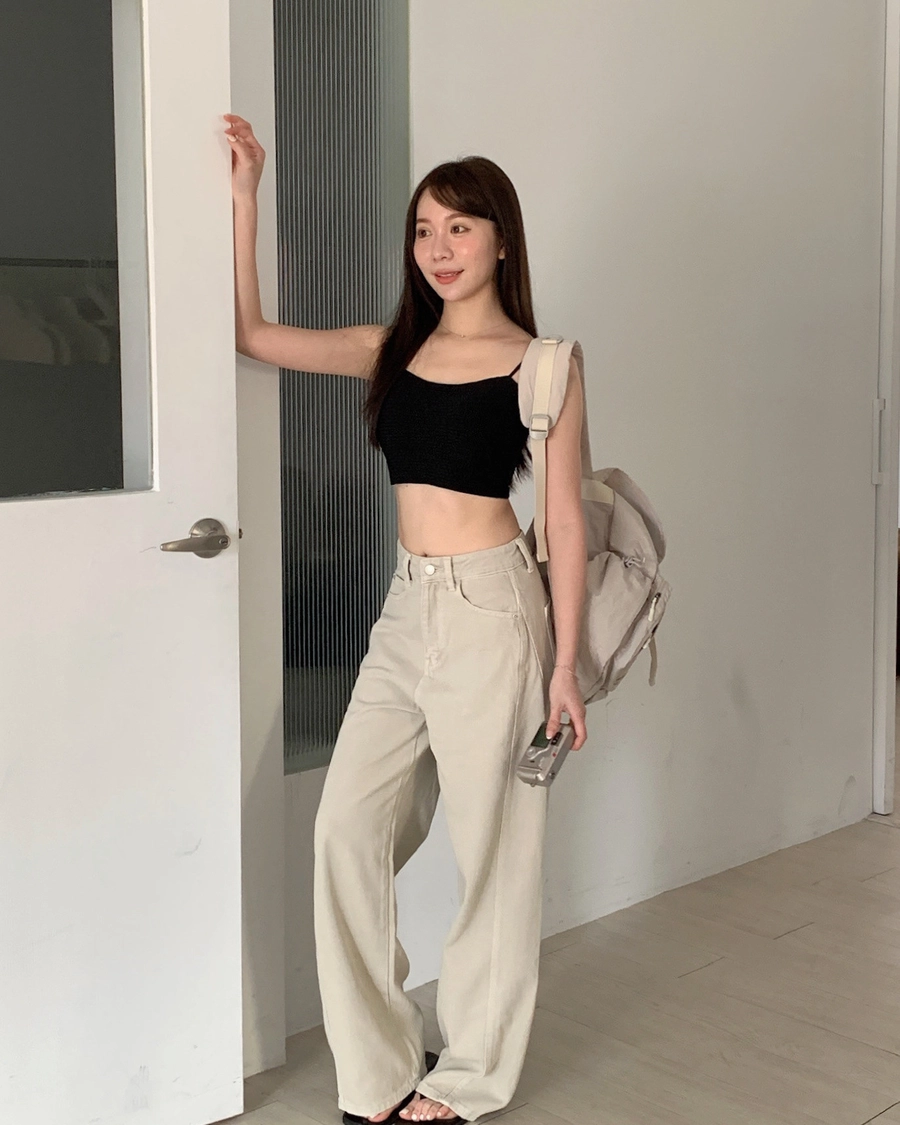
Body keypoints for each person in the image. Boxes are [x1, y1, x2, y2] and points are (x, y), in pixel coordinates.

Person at [225, 113, 588, 1125]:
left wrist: (566, 665)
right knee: (345, 830)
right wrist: (248, 199)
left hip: (495, 611)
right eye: (425, 228)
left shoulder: (545, 363)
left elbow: (563, 519)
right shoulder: (392, 349)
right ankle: (381, 1069)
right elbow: (254, 336)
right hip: (406, 606)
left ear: (502, 241)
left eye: (460, 227)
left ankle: (469, 1076)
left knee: (493, 853)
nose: (439, 246)